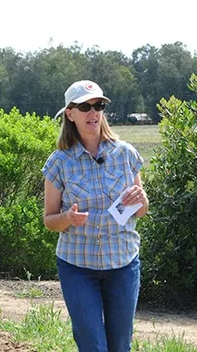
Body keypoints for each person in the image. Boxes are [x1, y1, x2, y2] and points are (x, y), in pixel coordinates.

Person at [41, 80, 149, 352]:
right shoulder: (59, 162)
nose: (94, 112)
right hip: (77, 266)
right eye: (85, 106)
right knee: (92, 345)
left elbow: (140, 208)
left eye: (99, 105)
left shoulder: (126, 154)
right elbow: (49, 219)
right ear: (70, 113)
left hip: (123, 263)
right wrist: (67, 218)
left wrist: (143, 201)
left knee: (120, 345)